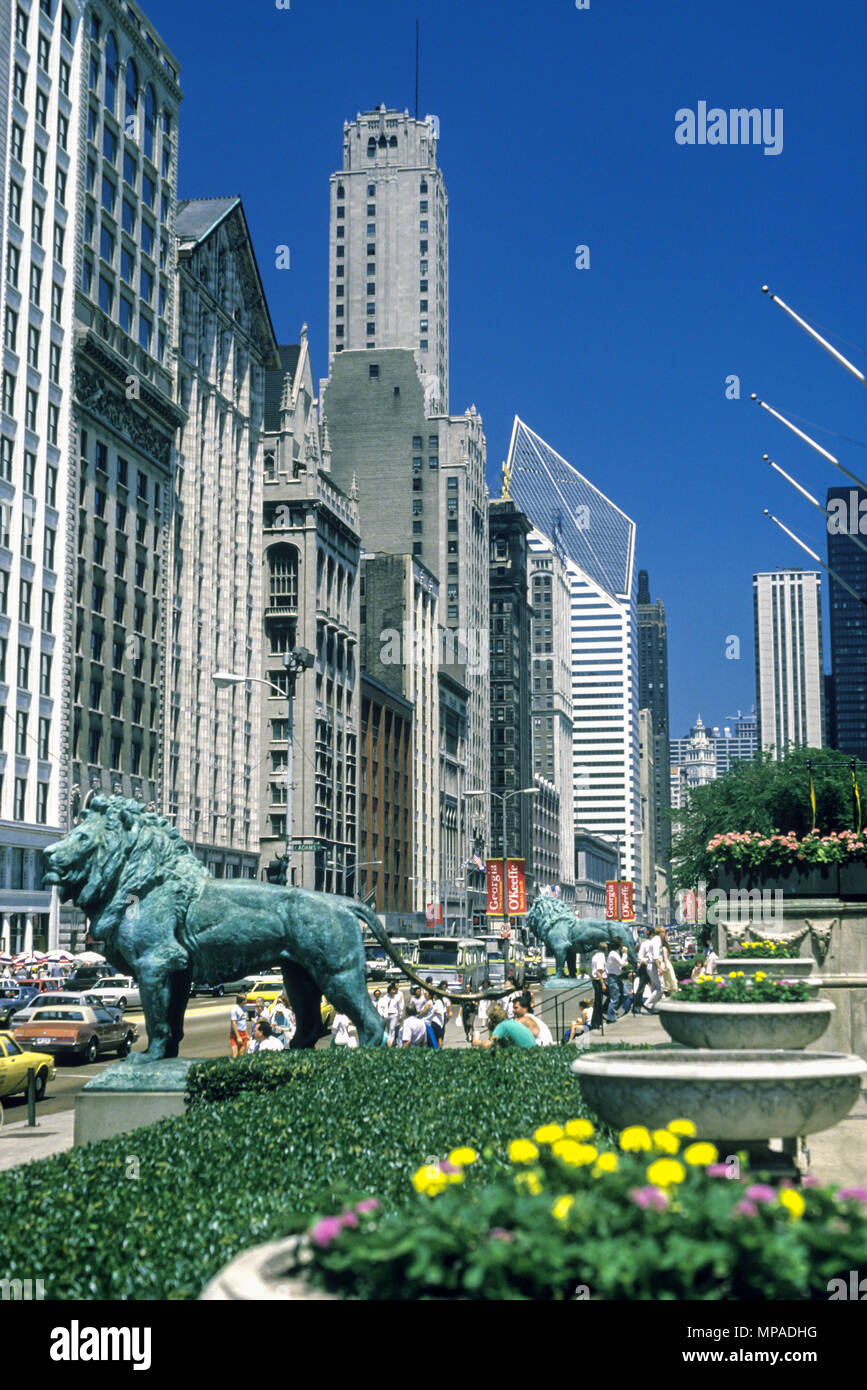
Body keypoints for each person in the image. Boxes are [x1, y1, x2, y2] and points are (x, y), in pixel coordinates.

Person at [472, 1002, 537, 1049]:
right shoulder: (512, 1022)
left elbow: (487, 1045)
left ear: (494, 1022)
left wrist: (477, 1041)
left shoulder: (502, 1025)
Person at [643, 928, 666, 1011]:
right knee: (661, 987)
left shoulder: (653, 940)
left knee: (654, 987)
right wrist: (659, 968)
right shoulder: (657, 941)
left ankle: (654, 1007)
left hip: (650, 965)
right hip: (654, 965)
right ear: (660, 933)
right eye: (663, 932)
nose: (665, 934)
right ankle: (648, 1003)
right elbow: (656, 956)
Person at [632, 932, 654, 1016]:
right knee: (641, 987)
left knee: (655, 988)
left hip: (652, 967)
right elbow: (640, 956)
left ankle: (650, 1006)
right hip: (645, 967)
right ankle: (637, 1007)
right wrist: (644, 961)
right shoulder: (645, 944)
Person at [590, 942, 609, 1029]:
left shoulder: (595, 956)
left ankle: (596, 1022)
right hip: (599, 981)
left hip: (596, 980)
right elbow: (598, 971)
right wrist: (603, 983)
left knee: (598, 1002)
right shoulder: (601, 957)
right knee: (612, 994)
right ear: (605, 949)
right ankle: (603, 1012)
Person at [605, 941, 624, 1021]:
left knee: (625, 994)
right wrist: (625, 953)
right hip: (612, 977)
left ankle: (612, 1011)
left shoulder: (616, 953)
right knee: (614, 998)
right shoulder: (613, 954)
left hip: (617, 976)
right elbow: (622, 963)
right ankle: (610, 1017)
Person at [384, 981, 405, 1046]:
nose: (395, 991)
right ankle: (389, 1041)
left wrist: (400, 1015)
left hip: (394, 1014)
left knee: (392, 1029)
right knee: (388, 1029)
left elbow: (400, 1007)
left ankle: (391, 1043)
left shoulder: (397, 997)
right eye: (393, 989)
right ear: (390, 990)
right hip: (387, 1015)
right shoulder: (385, 997)